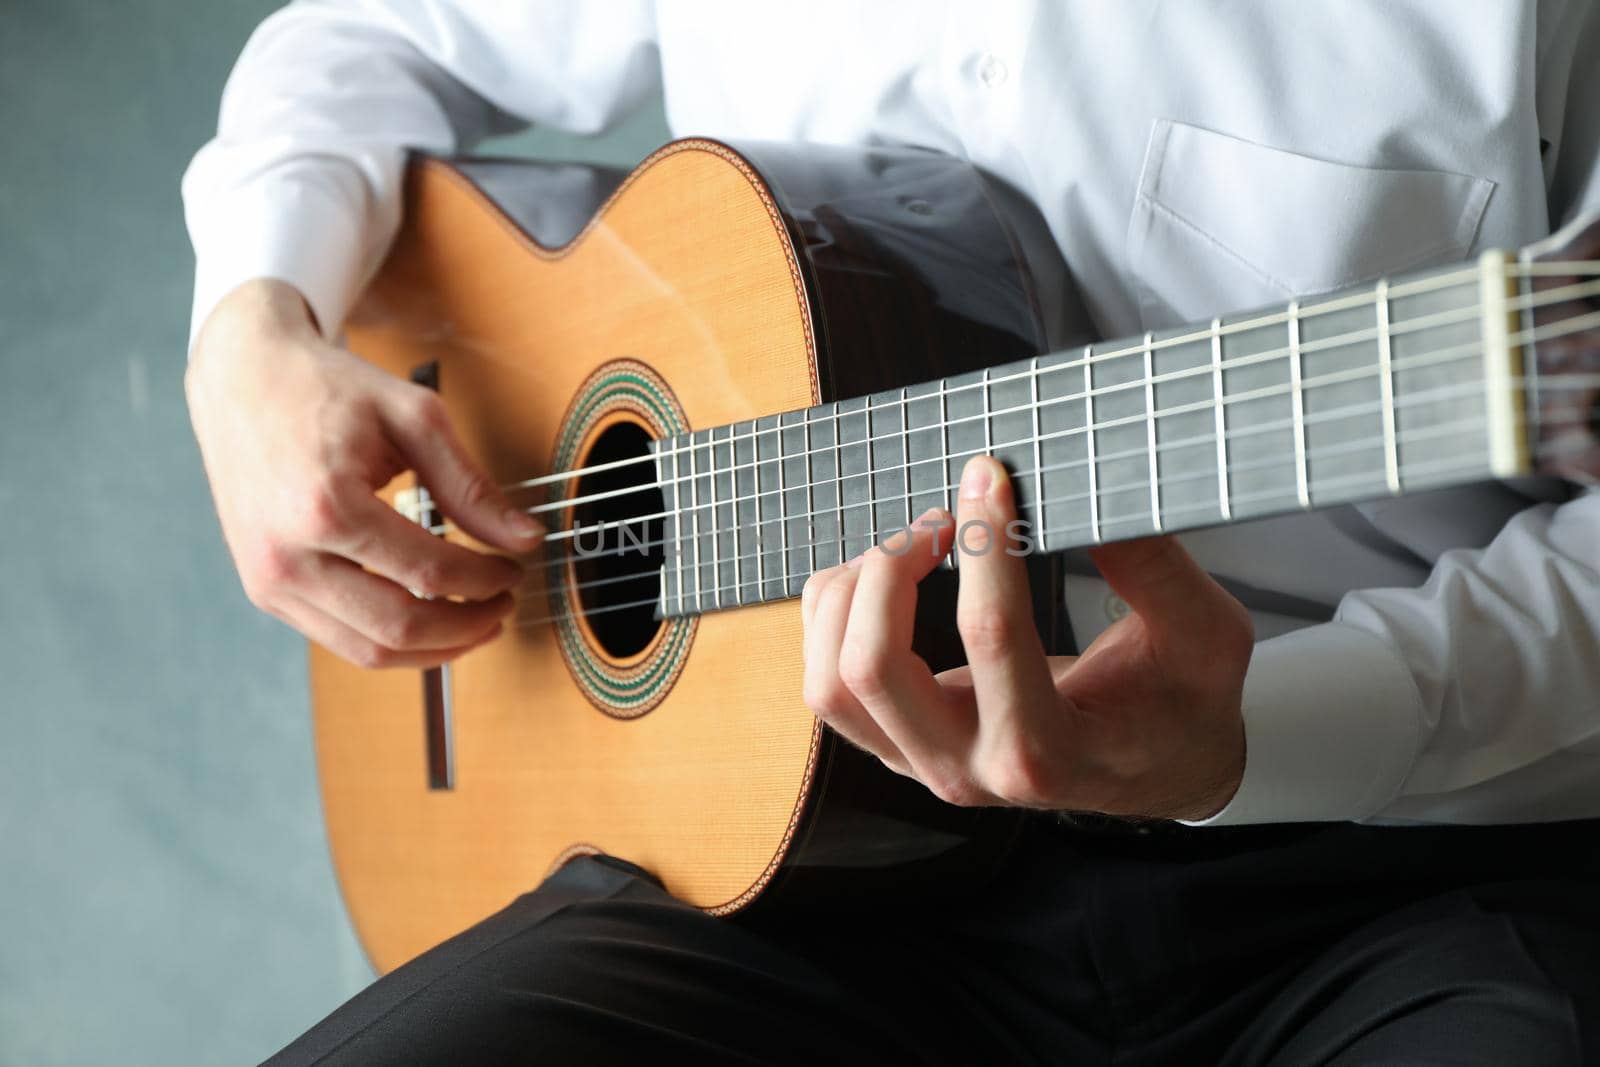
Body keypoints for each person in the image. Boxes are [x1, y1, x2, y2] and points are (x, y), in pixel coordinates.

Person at [182, 2, 1600, 1062]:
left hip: (1398, 879)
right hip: (810, 870)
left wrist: (1265, 728)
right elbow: (358, 43)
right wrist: (247, 328)